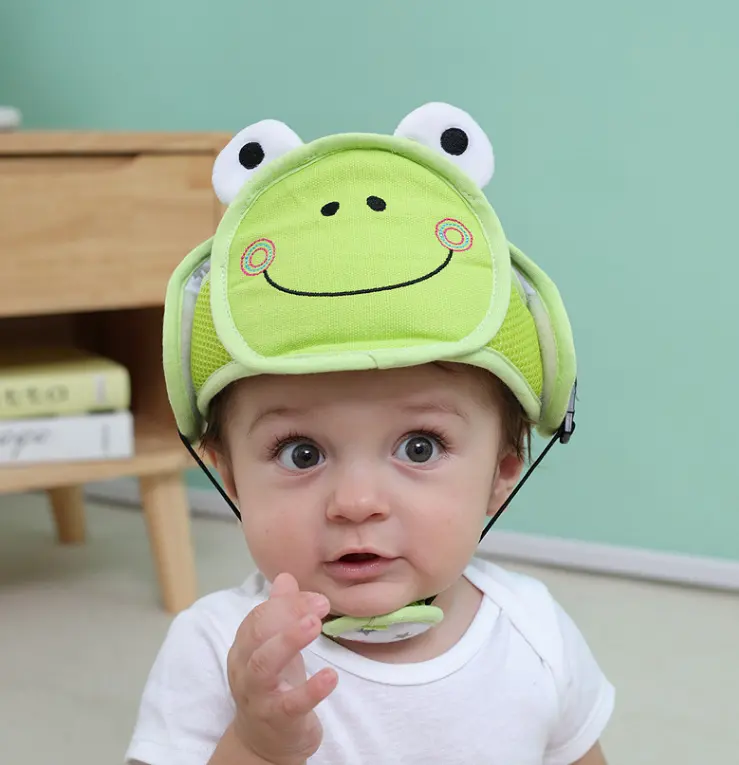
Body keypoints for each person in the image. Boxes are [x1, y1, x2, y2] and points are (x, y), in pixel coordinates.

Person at [125, 102, 614, 765]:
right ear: (228, 473)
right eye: (301, 452)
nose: (356, 502)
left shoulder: (534, 632)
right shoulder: (216, 647)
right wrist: (255, 741)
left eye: (419, 446)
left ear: (503, 470)